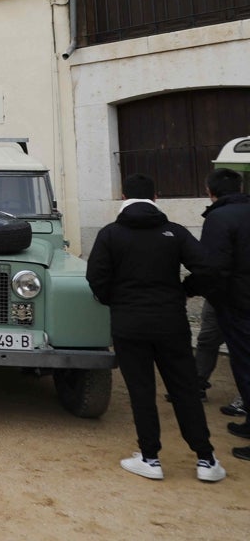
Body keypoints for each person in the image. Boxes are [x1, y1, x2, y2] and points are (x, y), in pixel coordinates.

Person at [86, 173, 225, 482]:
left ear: (123, 197)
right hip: (171, 322)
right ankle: (206, 459)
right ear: (157, 198)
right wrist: (186, 289)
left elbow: (96, 277)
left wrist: (115, 300)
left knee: (141, 390)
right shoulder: (174, 232)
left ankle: (150, 458)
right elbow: (209, 268)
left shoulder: (110, 234)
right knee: (185, 389)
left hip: (128, 323)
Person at [199, 167, 250, 462]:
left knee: (244, 365)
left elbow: (213, 267)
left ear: (210, 191)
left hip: (237, 303)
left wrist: (207, 294)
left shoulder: (219, 217)